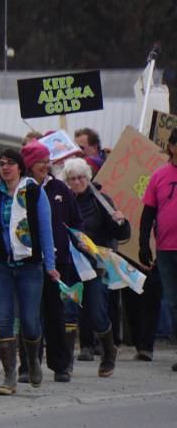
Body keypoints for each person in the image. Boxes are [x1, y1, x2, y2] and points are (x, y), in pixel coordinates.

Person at [0, 148, 59, 396]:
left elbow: (45, 230)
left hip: (30, 266)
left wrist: (50, 265)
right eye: (2, 164)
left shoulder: (34, 193)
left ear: (20, 167)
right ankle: (9, 376)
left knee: (29, 321)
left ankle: (31, 363)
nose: (5, 168)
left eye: (11, 164)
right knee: (5, 320)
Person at [21, 141, 82, 383]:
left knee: (56, 314)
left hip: (58, 262)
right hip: (28, 261)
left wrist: (74, 245)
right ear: (28, 164)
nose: (46, 165)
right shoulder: (21, 188)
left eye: (47, 160)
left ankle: (61, 365)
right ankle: (28, 365)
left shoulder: (59, 188)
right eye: (40, 161)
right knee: (29, 315)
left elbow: (76, 221)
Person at [63, 157, 130, 378]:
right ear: (67, 181)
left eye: (81, 177)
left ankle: (109, 352)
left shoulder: (101, 200)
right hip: (70, 265)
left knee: (96, 312)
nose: (77, 182)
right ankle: (65, 363)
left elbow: (121, 234)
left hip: (95, 265)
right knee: (68, 312)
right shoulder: (63, 200)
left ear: (88, 178)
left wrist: (122, 221)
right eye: (72, 179)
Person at [137, 127, 177, 372]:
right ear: (172, 146)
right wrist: (143, 244)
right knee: (173, 302)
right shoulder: (159, 175)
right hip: (166, 248)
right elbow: (148, 213)